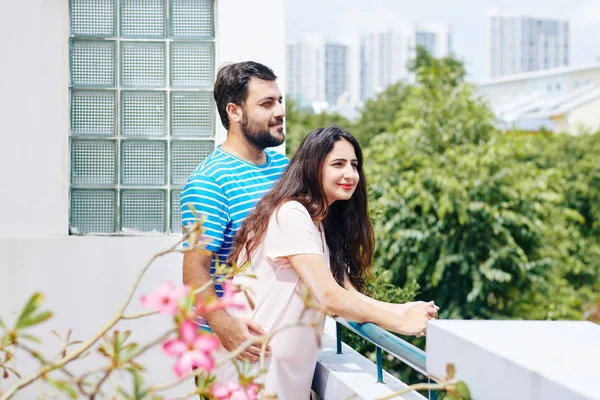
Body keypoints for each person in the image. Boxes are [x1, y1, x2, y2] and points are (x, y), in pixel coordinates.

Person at [214, 126, 439, 399]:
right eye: (338, 164)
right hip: (253, 381)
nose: (350, 174)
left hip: (276, 382)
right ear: (313, 167)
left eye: (354, 165)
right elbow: (330, 298)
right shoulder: (291, 214)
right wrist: (400, 325)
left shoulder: (317, 223)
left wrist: (402, 309)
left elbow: (344, 293)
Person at [181, 61, 289, 362]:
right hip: (229, 348)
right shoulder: (210, 181)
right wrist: (223, 326)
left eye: (279, 101)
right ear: (235, 112)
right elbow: (194, 270)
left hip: (277, 338)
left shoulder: (283, 167)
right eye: (267, 103)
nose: (279, 111)